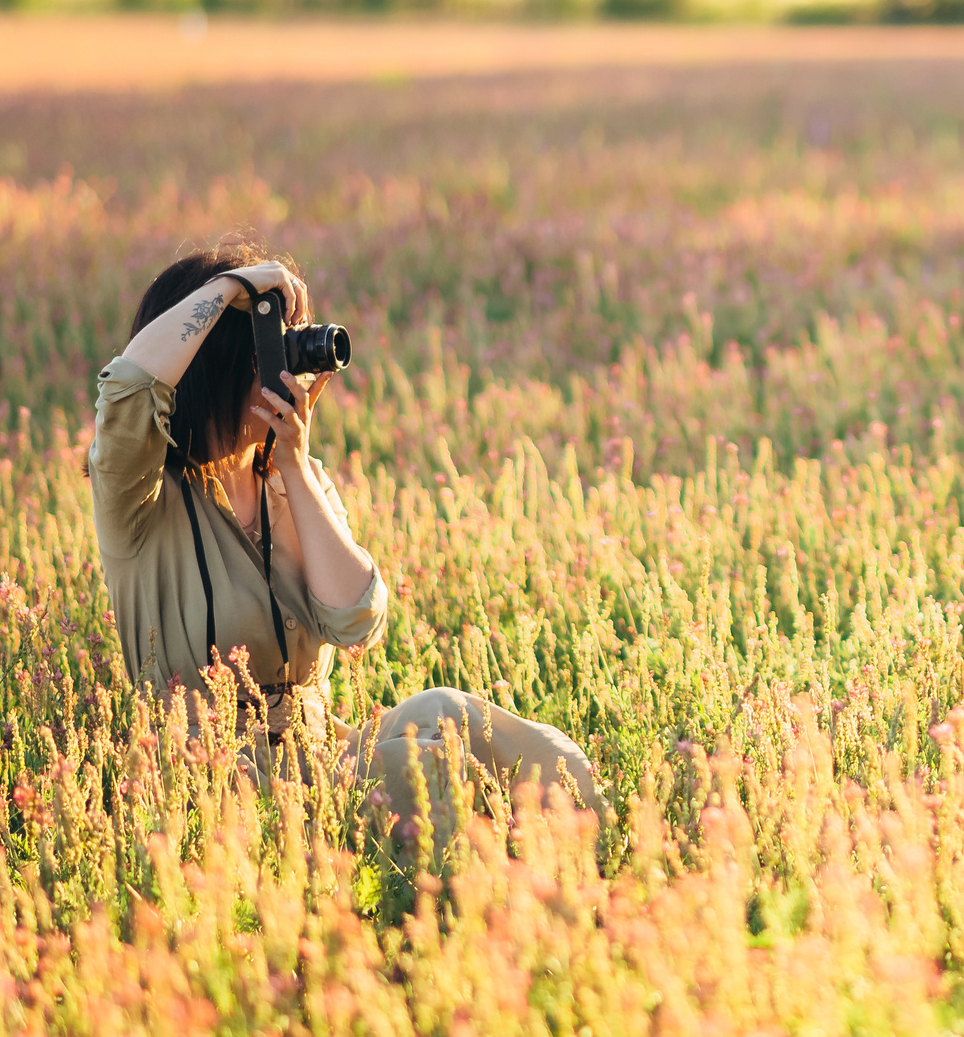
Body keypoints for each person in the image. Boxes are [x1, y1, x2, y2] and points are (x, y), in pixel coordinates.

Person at [88, 245, 606, 839]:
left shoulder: (289, 482)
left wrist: (296, 468)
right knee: (429, 766)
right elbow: (127, 387)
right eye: (267, 350)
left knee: (448, 712)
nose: (287, 367)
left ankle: (599, 844)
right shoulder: (137, 499)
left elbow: (356, 618)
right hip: (219, 786)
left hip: (322, 762)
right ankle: (490, 890)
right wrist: (236, 286)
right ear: (221, 368)